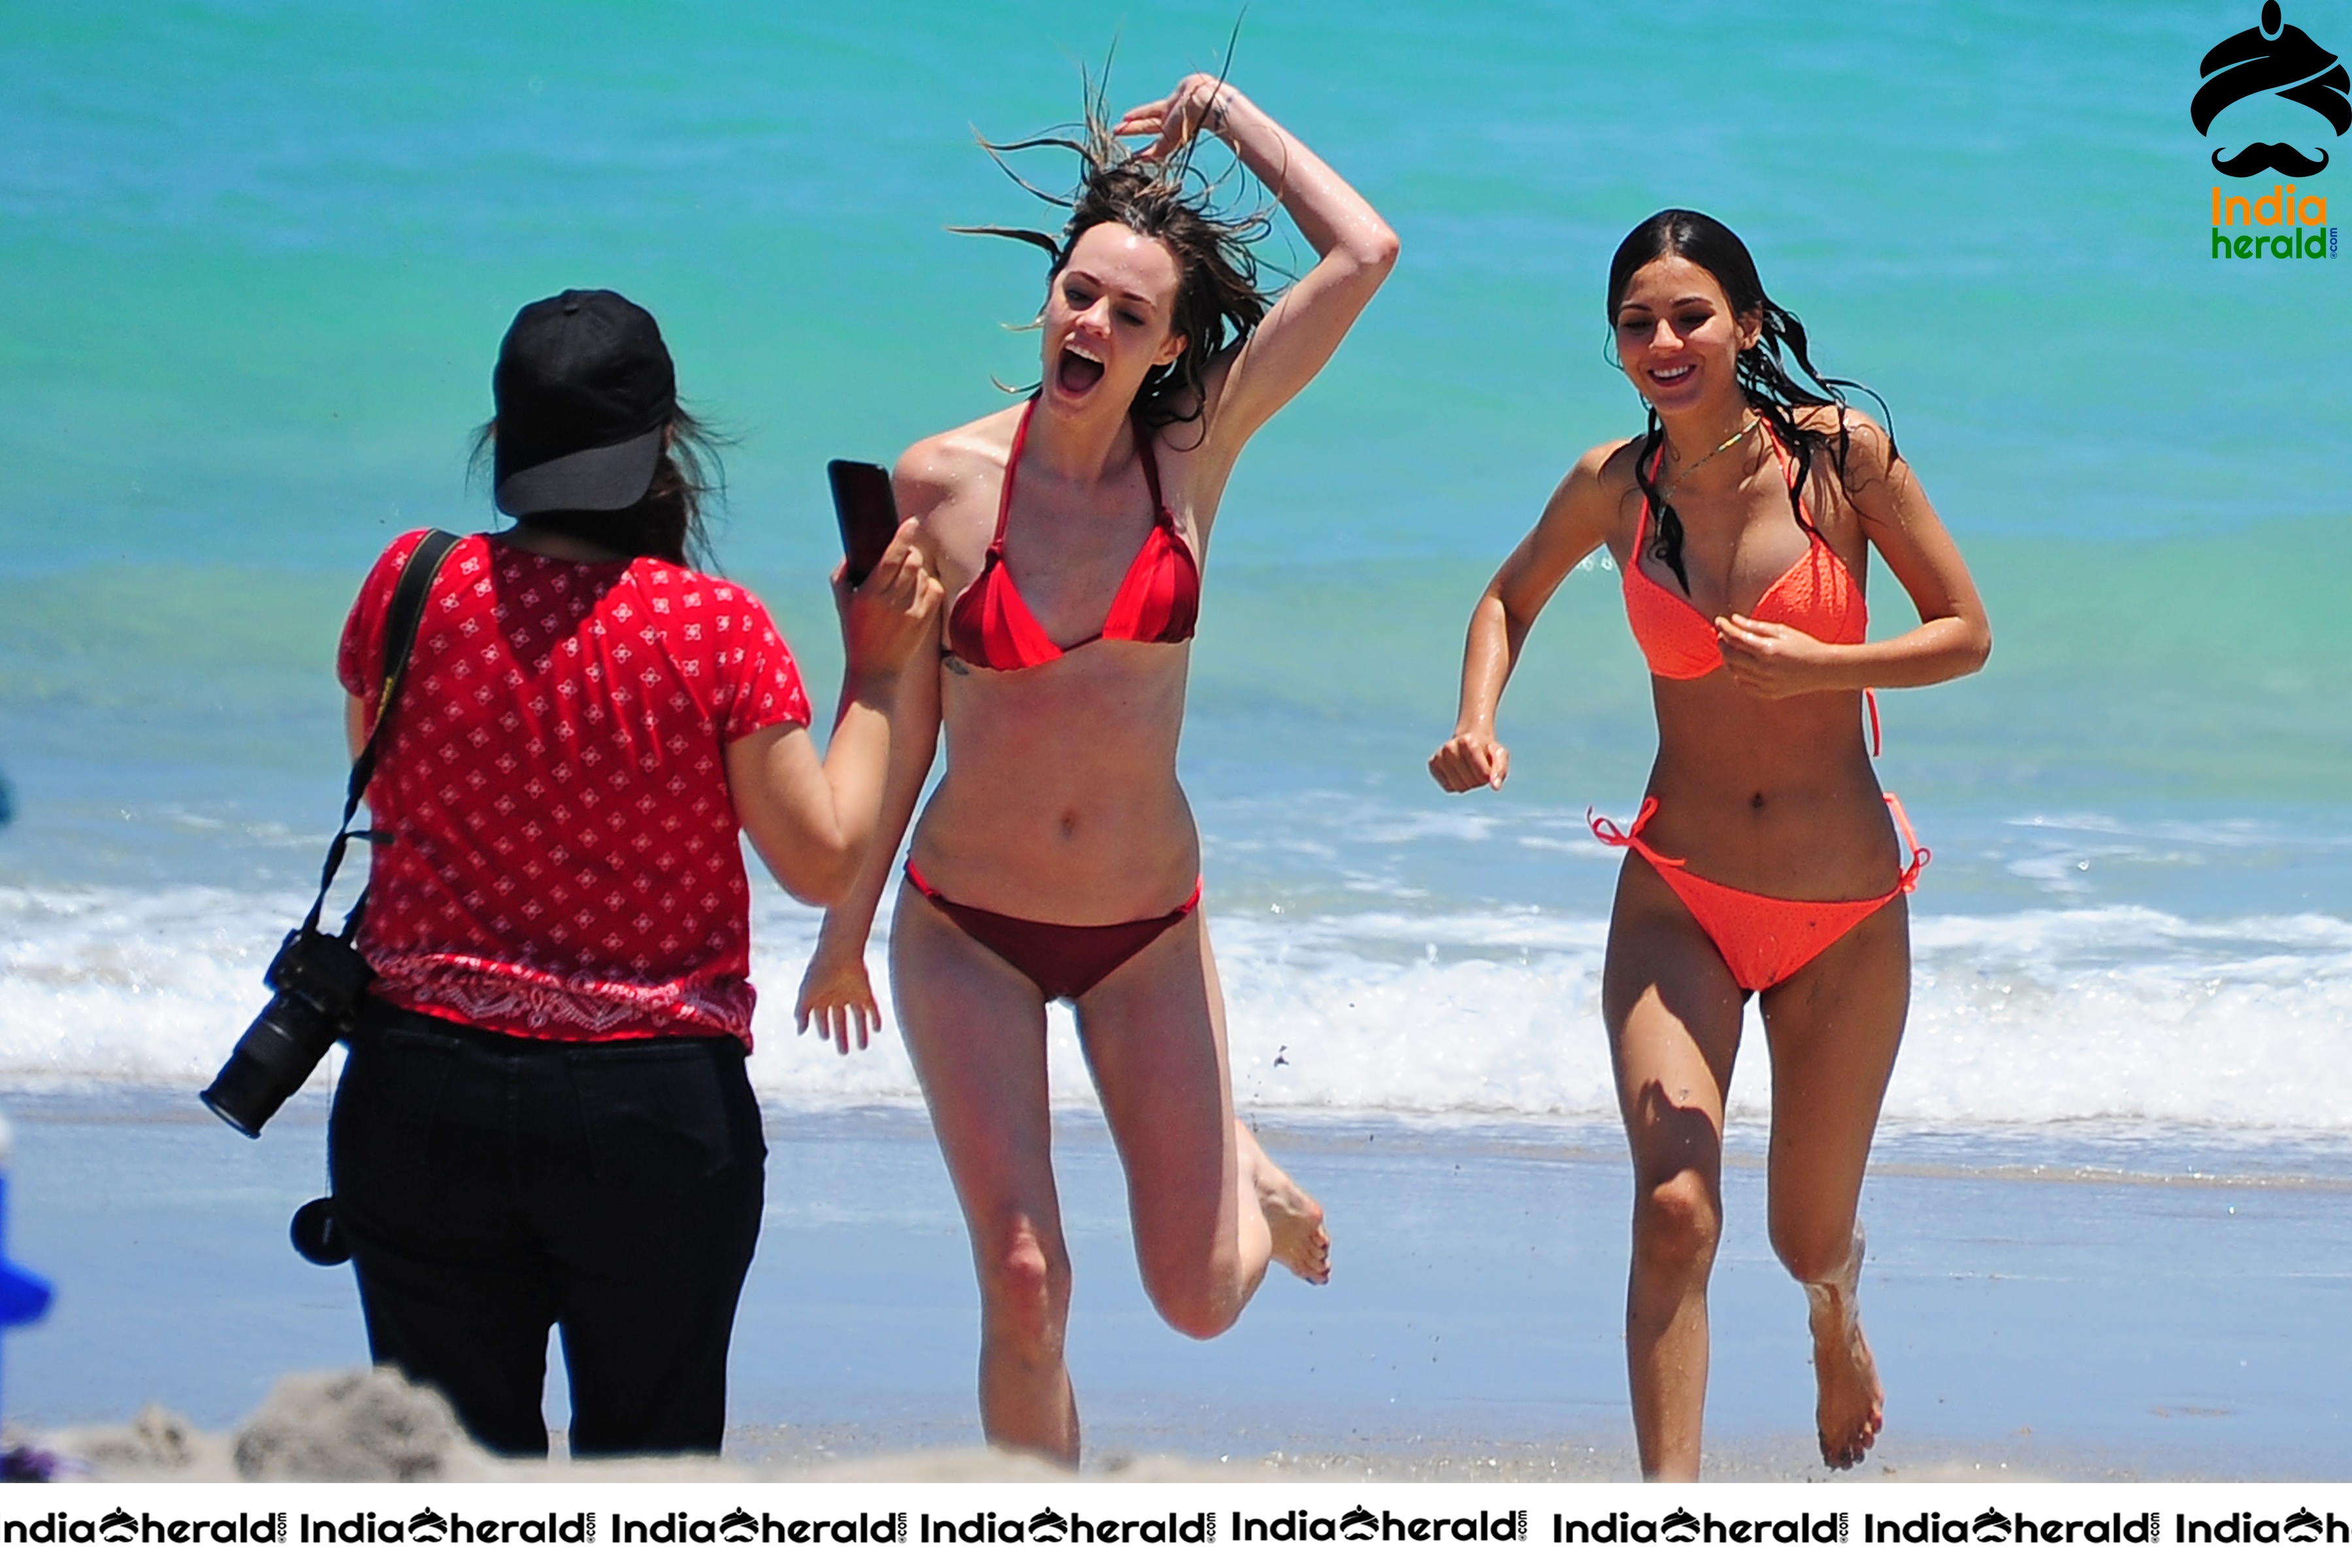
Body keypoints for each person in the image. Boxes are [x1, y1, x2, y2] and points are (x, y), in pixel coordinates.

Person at [792, 73, 1397, 1464]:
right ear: (1046, 302)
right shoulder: (937, 484)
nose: (1094, 324)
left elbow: (1367, 254)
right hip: (966, 931)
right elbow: (890, 716)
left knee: (1194, 1303)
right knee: (1025, 1285)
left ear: (1169, 343)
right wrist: (839, 931)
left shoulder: (1194, 453)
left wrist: (1226, 114)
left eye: (1131, 313)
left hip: (1145, 935)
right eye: (1080, 295)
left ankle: (1255, 1184)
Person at [329, 287, 939, 1458]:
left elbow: (382, 788)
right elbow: (821, 860)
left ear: (502, 443)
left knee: (444, 1484)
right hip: (647, 1115)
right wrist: (876, 675)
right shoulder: (714, 628)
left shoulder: (411, 583)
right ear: (666, 448)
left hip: (419, 1096)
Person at [1429, 212, 1991, 1479]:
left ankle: (1836, 1312)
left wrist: (1827, 668)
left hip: (1842, 910)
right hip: (1679, 894)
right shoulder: (1614, 489)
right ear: (1616, 346)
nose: (1666, 341)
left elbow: (1965, 631)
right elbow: (1506, 599)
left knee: (1803, 1235)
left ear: (1744, 322)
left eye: (1691, 316)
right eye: (1639, 322)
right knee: (1677, 1210)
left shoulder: (1840, 461)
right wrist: (1476, 719)